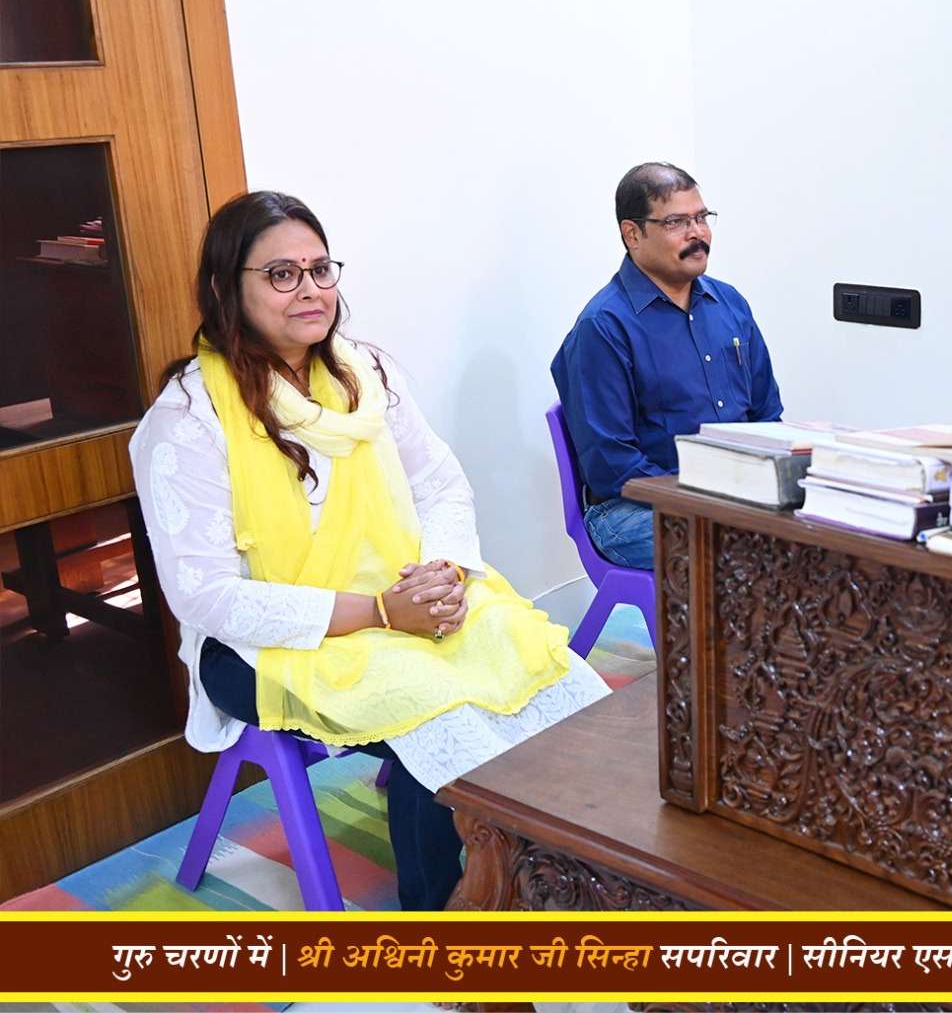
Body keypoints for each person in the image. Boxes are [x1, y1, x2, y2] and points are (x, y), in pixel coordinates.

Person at [130, 190, 610, 911]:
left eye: (320, 269)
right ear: (227, 289)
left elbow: (441, 484)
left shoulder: (367, 378)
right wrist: (382, 612)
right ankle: (441, 916)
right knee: (437, 713)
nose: (310, 290)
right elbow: (206, 597)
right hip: (264, 643)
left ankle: (558, 875)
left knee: (544, 669)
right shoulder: (188, 420)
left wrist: (443, 574)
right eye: (282, 274)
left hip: (399, 600)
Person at [551, 162, 784, 568]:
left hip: (734, 495)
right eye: (677, 222)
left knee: (838, 533)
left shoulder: (730, 304)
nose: (697, 233)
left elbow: (767, 417)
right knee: (750, 554)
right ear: (633, 234)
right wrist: (710, 496)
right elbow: (611, 466)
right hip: (632, 509)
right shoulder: (603, 327)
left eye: (702, 218)